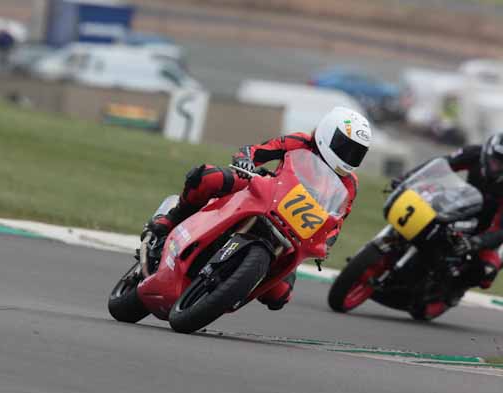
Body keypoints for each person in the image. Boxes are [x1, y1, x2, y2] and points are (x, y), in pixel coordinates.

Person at [143, 107, 373, 310]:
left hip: (293, 230)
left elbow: (336, 222)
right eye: (345, 147)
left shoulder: (349, 184)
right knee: (206, 177)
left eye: (357, 152)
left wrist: (325, 243)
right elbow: (255, 151)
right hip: (267, 191)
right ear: (327, 133)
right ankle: (172, 219)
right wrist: (246, 161)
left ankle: (228, 290)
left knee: (279, 296)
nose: (349, 156)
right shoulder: (300, 142)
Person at [392, 134, 503, 315]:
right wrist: (406, 178)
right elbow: (440, 164)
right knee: (425, 217)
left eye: (502, 164)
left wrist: (479, 242)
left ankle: (454, 290)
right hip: (462, 206)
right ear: (487, 153)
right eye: (495, 160)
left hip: (486, 229)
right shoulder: (474, 153)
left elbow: (501, 230)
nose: (496, 166)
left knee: (486, 272)